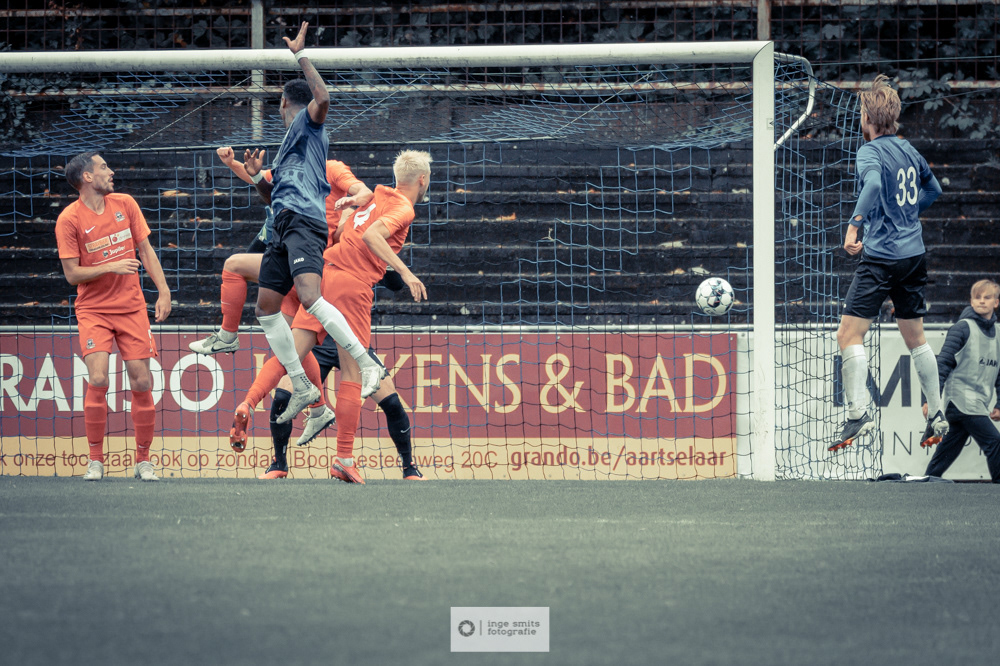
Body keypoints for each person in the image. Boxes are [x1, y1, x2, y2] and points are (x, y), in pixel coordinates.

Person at [242, 21, 384, 427]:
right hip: (283, 225)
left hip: (305, 223)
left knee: (308, 296)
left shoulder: (308, 123)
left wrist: (300, 55)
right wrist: (257, 178)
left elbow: (323, 97)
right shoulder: (288, 147)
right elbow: (272, 198)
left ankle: (365, 363)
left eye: (278, 103)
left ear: (285, 102)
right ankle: (303, 386)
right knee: (266, 308)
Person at [287, 149, 432, 483]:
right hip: (351, 287)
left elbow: (343, 234)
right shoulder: (403, 207)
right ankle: (344, 458)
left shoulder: (375, 196)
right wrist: (405, 272)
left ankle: (250, 406)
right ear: (422, 180)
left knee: (289, 357)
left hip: (325, 276)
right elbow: (371, 236)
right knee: (355, 371)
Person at [830, 74, 946, 452]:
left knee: (848, 336)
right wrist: (907, 216)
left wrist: (854, 225)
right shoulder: (909, 149)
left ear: (867, 117)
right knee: (916, 339)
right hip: (913, 256)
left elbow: (875, 186)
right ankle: (937, 412)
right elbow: (934, 189)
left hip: (881, 258)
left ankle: (858, 414)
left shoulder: (870, 152)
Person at [55, 152, 172, 482]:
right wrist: (111, 266)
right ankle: (95, 461)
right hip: (93, 310)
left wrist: (163, 291)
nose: (111, 172)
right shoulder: (68, 219)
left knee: (142, 381)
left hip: (132, 307)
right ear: (87, 177)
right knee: (98, 378)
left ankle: (143, 461)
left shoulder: (126, 204)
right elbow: (72, 274)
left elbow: (146, 250)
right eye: (104, 167)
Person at [188, 146, 372, 355]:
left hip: (312, 264)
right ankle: (229, 337)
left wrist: (353, 200)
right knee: (288, 355)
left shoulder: (332, 169)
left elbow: (365, 192)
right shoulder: (288, 169)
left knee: (234, 266)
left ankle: (228, 335)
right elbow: (256, 177)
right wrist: (231, 163)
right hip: (290, 263)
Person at [235, 334, 425, 481]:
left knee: (392, 403)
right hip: (316, 343)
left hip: (354, 343)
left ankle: (409, 468)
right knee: (282, 398)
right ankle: (279, 464)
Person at [921, 280, 1000, 482]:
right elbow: (941, 365)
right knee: (995, 442)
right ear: (971, 302)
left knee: (947, 451)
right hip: (962, 402)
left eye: (987, 297)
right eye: (977, 297)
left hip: (975, 405)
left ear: (996, 303)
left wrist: (999, 404)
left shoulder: (998, 334)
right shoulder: (962, 329)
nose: (982, 301)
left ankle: (926, 482)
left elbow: (999, 373)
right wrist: (930, 400)